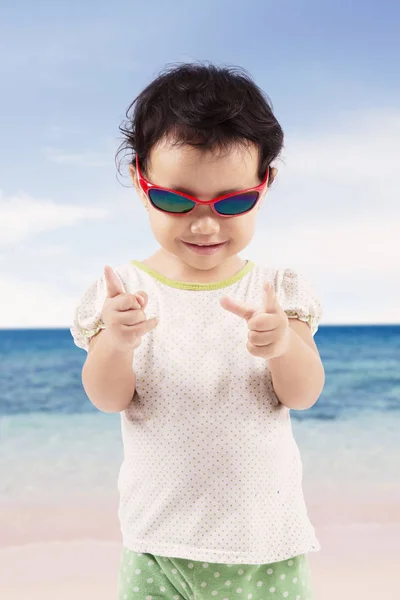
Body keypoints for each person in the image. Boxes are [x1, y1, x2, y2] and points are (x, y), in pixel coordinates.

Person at [70, 62, 325, 600]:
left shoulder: (277, 290)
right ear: (142, 181)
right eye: (175, 199)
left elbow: (302, 395)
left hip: (266, 548)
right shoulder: (122, 292)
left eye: (232, 202)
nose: (204, 224)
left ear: (266, 183)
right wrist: (116, 343)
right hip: (157, 544)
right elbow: (107, 397)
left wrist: (282, 345)